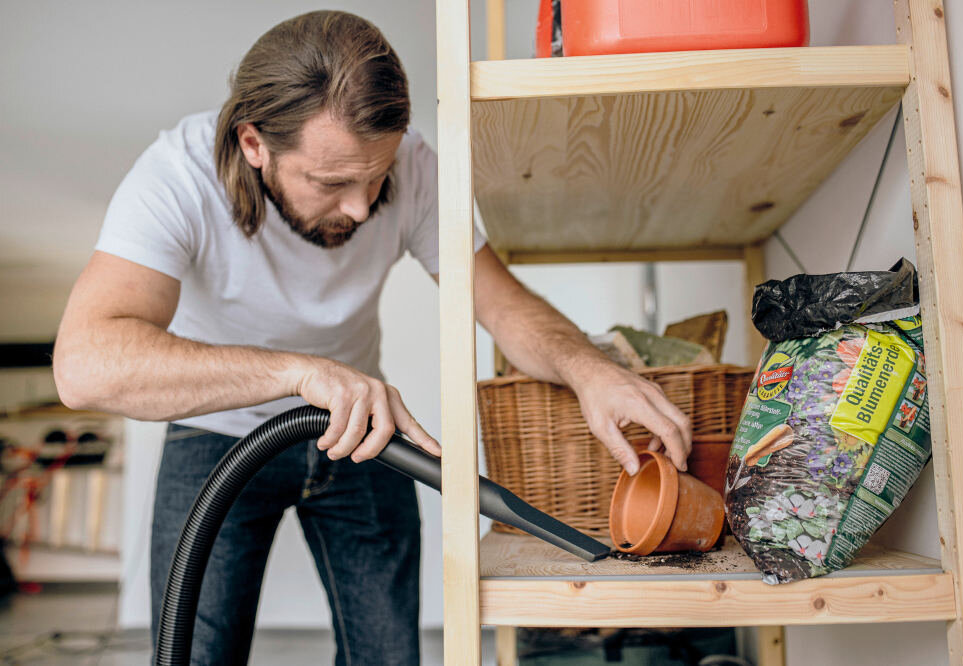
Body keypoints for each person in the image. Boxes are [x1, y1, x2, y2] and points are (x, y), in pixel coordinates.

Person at [53, 10, 691, 666]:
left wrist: (592, 370)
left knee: (387, 656)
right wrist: (297, 372)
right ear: (253, 144)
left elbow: (503, 308)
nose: (361, 208)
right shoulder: (177, 177)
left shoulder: (414, 169)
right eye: (331, 183)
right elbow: (83, 365)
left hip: (360, 435)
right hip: (216, 434)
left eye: (374, 177)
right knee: (196, 652)